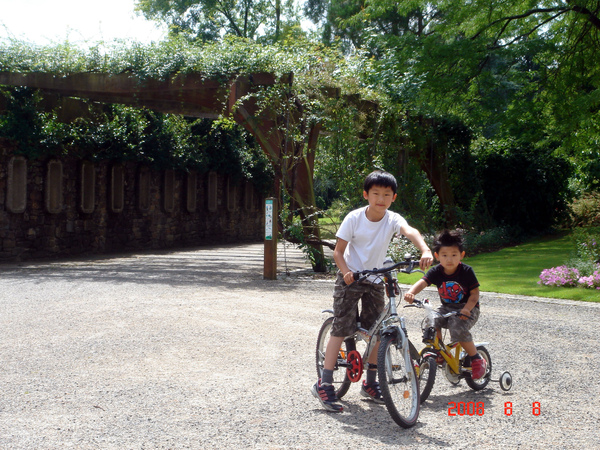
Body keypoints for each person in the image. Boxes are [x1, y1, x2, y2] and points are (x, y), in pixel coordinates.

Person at [312, 170, 433, 412]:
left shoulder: (392, 219)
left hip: (377, 279)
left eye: (386, 194)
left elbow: (411, 231)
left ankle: (370, 383)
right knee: (342, 326)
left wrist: (425, 250)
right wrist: (346, 271)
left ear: (393, 198)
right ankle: (324, 382)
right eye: (375, 193)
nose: (381, 199)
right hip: (352, 276)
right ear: (366, 195)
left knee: (378, 330)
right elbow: (338, 251)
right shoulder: (354, 218)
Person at [403, 229, 487, 380]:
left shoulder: (466, 271)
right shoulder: (436, 271)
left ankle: (476, 359)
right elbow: (422, 282)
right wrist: (411, 292)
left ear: (462, 255)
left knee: (457, 327)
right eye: (444, 255)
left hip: (467, 308)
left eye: (454, 255)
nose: (449, 259)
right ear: (437, 256)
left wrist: (467, 309)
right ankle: (439, 351)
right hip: (447, 308)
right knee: (431, 321)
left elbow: (475, 294)